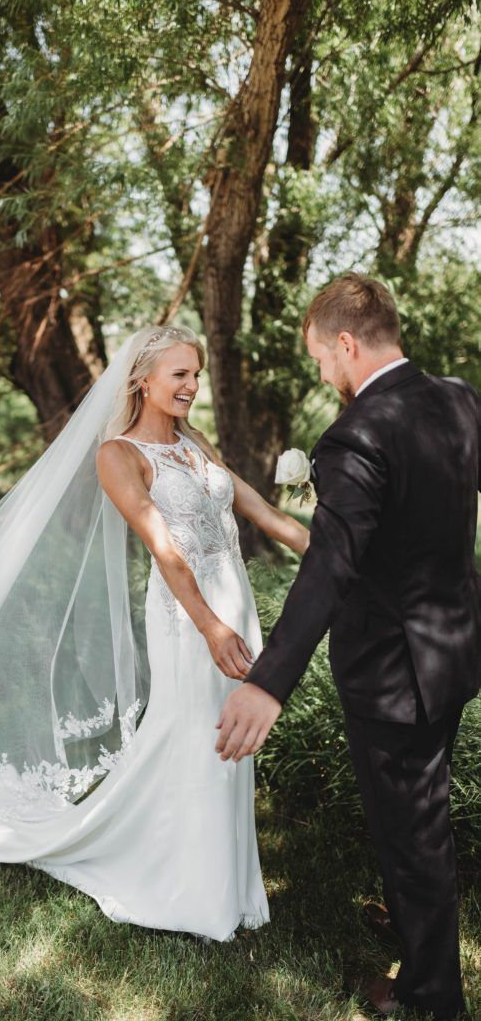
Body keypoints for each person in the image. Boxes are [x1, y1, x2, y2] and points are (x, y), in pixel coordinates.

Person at [0, 323, 308, 943]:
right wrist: (209, 626)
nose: (193, 386)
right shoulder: (118, 456)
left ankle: (227, 882)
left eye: (196, 374)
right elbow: (165, 549)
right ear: (142, 380)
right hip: (189, 616)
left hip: (234, 606)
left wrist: (336, 553)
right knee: (194, 734)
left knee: (229, 737)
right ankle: (190, 891)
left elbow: (259, 510)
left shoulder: (193, 443)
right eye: (180, 374)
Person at [216, 273, 480, 1018]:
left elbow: (331, 566)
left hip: (393, 671)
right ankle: (414, 923)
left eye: (321, 361)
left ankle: (432, 996)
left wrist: (267, 683)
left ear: (345, 342)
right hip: (453, 648)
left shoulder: (359, 432)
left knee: (414, 833)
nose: (324, 375)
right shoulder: (458, 398)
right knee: (415, 818)